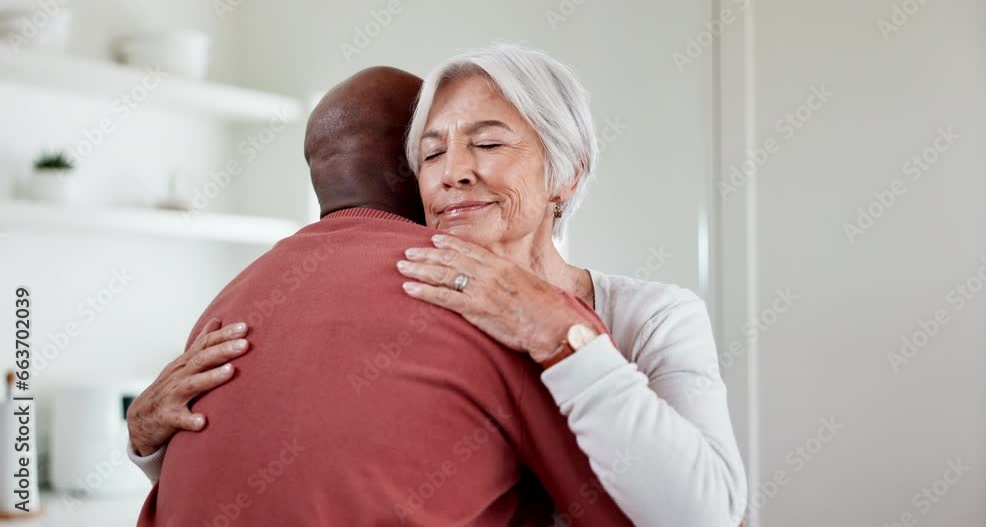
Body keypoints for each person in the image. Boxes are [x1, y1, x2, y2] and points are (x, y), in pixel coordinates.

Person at [131, 44, 749, 527]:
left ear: (567, 172)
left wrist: (564, 336)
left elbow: (705, 515)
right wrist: (148, 442)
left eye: (487, 143)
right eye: (429, 155)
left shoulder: (656, 316)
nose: (453, 173)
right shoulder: (412, 299)